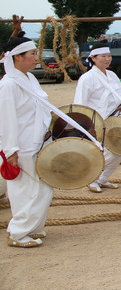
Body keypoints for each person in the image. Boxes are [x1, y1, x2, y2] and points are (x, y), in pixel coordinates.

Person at [0, 34, 53, 247]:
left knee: (43, 188)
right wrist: (10, 150)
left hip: (37, 142)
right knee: (25, 191)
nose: (36, 58)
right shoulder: (8, 85)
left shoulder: (29, 78)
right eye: (32, 54)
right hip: (21, 146)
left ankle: (30, 227)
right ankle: (18, 233)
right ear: (17, 57)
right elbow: (6, 119)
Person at [74, 42, 121, 193]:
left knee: (119, 151)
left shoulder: (112, 75)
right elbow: (80, 103)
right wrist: (86, 126)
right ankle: (93, 179)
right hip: (96, 121)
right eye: (103, 56)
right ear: (93, 58)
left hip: (115, 119)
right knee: (100, 152)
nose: (107, 59)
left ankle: (102, 178)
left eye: (109, 56)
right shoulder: (87, 78)